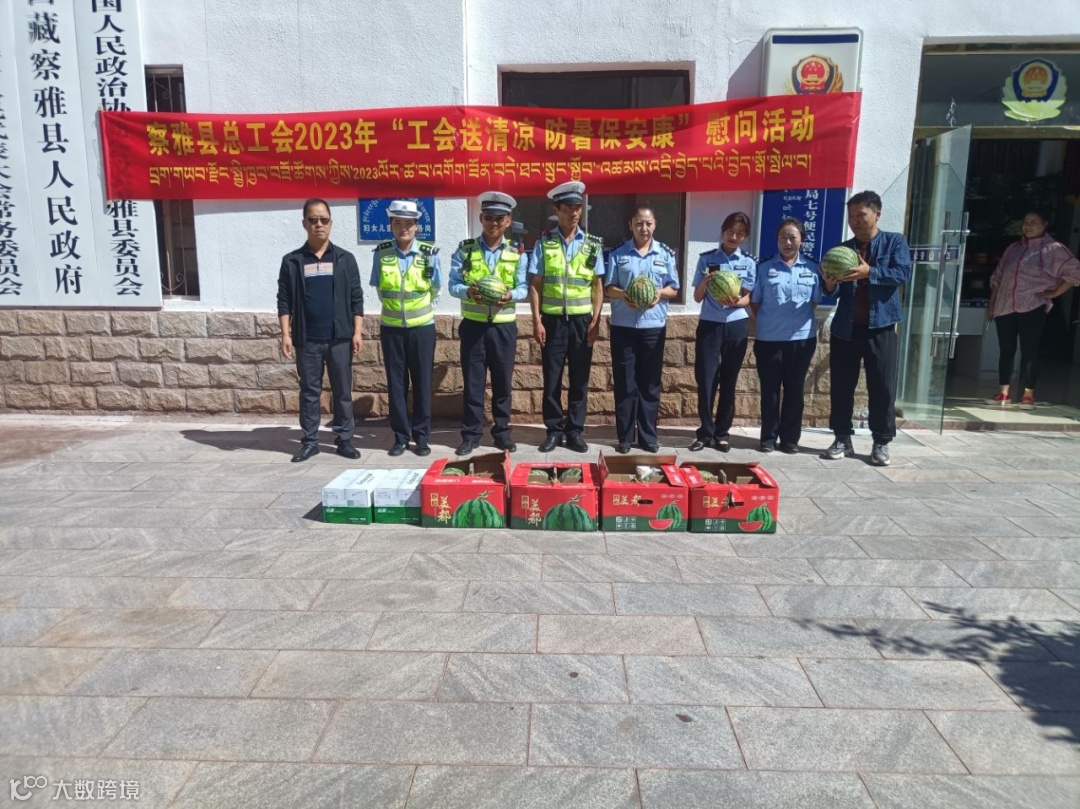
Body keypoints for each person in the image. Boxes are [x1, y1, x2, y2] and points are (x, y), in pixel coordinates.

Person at [820, 190, 912, 467]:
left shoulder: (894, 242)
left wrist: (870, 271)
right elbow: (834, 292)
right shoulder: (843, 248)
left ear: (877, 214)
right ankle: (841, 438)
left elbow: (903, 273)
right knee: (841, 387)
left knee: (882, 387)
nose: (855, 221)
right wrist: (829, 285)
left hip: (881, 327)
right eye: (851, 216)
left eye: (861, 215)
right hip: (845, 329)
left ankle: (881, 441)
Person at [276, 198, 363, 462]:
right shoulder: (292, 261)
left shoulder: (345, 259)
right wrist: (286, 334)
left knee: (343, 391)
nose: (318, 225)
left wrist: (357, 332)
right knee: (309, 393)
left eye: (323, 220)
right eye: (313, 220)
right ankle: (310, 442)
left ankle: (344, 440)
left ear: (331, 223)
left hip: (340, 338)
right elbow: (284, 300)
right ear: (304, 224)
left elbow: (356, 298)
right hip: (307, 339)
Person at [449, 191, 529, 456]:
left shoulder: (517, 252)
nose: (494, 223)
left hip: (504, 327)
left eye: (499, 218)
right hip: (473, 326)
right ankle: (471, 435)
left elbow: (523, 287)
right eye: (489, 217)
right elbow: (452, 284)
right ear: (481, 218)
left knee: (502, 384)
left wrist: (511, 295)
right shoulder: (465, 250)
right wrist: (467, 291)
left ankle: (502, 433)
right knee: (473, 384)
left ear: (508, 221)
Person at [529, 181, 605, 453]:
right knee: (552, 379)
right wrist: (536, 320)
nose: (574, 213)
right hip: (552, 322)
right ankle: (553, 431)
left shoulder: (592, 244)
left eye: (577, 208)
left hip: (582, 322)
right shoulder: (544, 242)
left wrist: (596, 320)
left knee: (580, 380)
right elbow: (535, 285)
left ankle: (574, 431)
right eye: (568, 208)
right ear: (556, 210)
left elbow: (597, 286)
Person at [604, 205, 680, 453]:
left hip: (653, 326)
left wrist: (659, 292)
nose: (643, 228)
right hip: (623, 326)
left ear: (654, 225)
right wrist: (625, 294)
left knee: (650, 384)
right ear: (631, 225)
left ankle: (648, 437)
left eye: (648, 223)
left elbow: (674, 288)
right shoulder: (618, 253)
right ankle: (625, 438)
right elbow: (609, 288)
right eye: (638, 223)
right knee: (625, 383)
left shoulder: (665, 253)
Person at [987, 210, 1080, 409]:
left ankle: (1028, 394)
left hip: (1032, 306)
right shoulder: (1014, 248)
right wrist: (992, 303)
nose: (1028, 226)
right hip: (1005, 306)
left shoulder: (1054, 249)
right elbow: (998, 276)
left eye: (1033, 222)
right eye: (1025, 222)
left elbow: (1074, 272)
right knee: (1006, 350)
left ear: (1045, 224)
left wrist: (1055, 292)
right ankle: (1003, 392)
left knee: (1030, 351)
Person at [370, 200, 440, 457]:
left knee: (422, 384)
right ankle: (400, 437)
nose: (403, 228)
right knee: (396, 385)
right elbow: (380, 289)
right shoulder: (381, 254)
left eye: (409, 223)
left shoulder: (429, 254)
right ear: (391, 225)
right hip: (391, 328)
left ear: (417, 226)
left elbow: (435, 289)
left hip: (422, 328)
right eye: (398, 223)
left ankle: (421, 437)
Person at [751, 218, 822, 454]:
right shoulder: (764, 268)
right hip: (769, 339)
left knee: (794, 390)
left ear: (802, 240)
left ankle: (790, 439)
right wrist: (773, 321)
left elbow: (814, 302)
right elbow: (755, 302)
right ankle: (768, 438)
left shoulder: (812, 268)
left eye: (793, 237)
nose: (788, 242)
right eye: (783, 237)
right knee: (770, 390)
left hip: (801, 340)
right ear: (777, 241)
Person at [689, 211, 757, 452]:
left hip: (736, 325)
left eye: (740, 233)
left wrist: (737, 302)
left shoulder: (749, 262)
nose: (734, 237)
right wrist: (705, 282)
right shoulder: (707, 259)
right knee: (706, 380)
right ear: (723, 231)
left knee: (729, 380)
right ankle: (705, 433)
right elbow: (697, 297)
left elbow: (748, 297)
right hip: (710, 324)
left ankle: (722, 434)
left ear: (745, 237)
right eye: (730, 231)